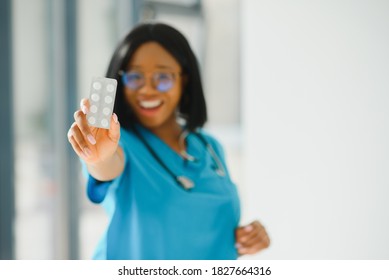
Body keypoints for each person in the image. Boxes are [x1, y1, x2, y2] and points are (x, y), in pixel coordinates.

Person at [67, 22, 270, 260]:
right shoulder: (118, 144)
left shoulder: (209, 147)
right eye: (135, 77)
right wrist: (98, 157)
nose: (148, 90)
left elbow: (199, 230)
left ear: (184, 80)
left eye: (163, 77)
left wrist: (246, 238)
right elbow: (106, 167)